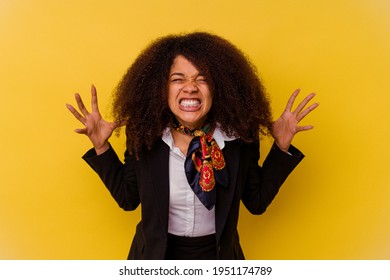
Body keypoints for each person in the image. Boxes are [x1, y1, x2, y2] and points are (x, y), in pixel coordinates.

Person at [66, 32, 318, 260]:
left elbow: (257, 202)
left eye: (202, 79)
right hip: (155, 259)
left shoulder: (238, 139)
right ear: (160, 89)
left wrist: (281, 148)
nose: (190, 87)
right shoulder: (144, 137)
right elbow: (128, 198)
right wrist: (101, 148)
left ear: (219, 87)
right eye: (178, 79)